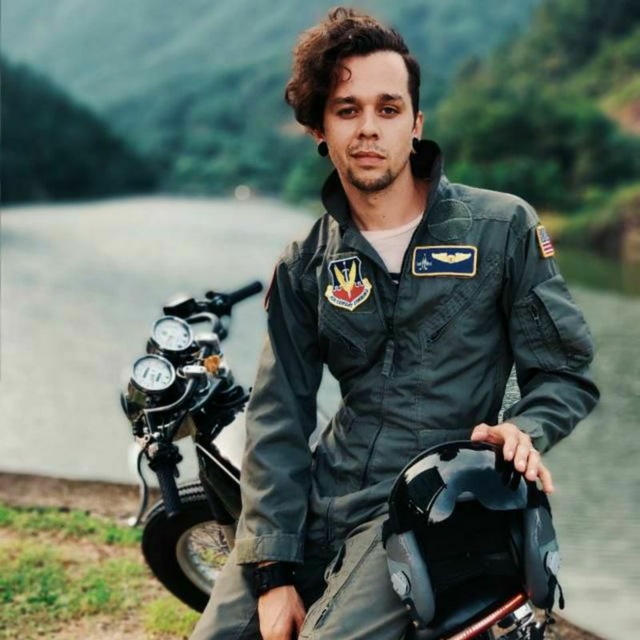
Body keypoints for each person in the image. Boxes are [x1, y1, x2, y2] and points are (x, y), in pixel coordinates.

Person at [190, 7, 599, 640]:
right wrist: (273, 572)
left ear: (416, 123)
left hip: (436, 497)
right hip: (324, 492)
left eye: (388, 108)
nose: (369, 128)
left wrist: (524, 429)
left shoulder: (502, 229)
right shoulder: (305, 263)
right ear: (320, 130)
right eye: (346, 110)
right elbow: (278, 415)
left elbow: (565, 373)